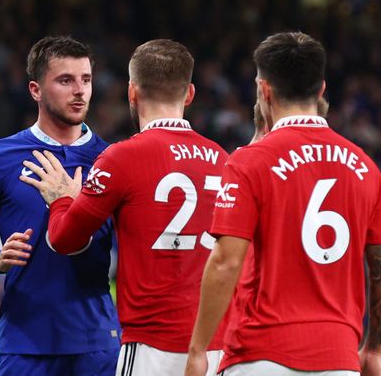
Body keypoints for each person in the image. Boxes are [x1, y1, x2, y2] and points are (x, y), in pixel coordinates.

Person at [185, 32, 381, 376]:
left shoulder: (249, 162)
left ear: (264, 90)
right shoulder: (365, 168)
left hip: (260, 356)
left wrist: (198, 350)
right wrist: (375, 348)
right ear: (321, 89)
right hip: (339, 361)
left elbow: (225, 263)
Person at [20, 39, 228, 375]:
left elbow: (64, 239)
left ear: (132, 92)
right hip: (215, 348)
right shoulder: (223, 160)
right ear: (189, 94)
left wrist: (62, 198)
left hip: (152, 346)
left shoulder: (122, 157)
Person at [0, 36, 120, 376]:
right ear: (35, 90)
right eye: (65, 80)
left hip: (97, 342)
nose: (79, 91)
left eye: (86, 79)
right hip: (26, 343)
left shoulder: (112, 159)